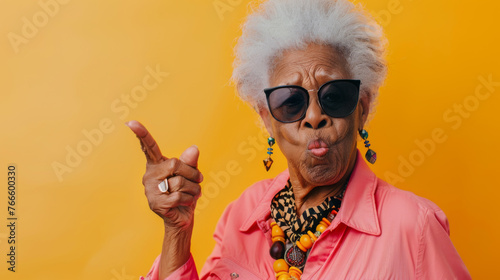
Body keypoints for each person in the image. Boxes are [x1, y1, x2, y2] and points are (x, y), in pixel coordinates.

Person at [126, 0, 471, 279]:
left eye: (334, 96)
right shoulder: (243, 215)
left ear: (362, 109)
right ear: (267, 119)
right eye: (291, 102)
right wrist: (177, 232)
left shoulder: (414, 226)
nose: (313, 116)